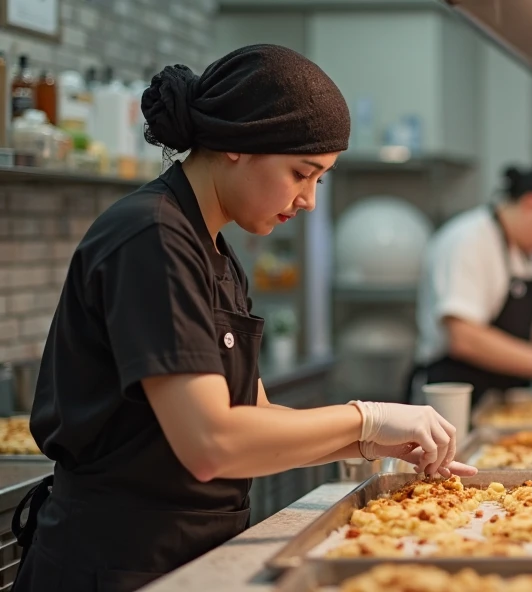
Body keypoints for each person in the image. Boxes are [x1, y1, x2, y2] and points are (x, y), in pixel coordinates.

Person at [12, 45, 474, 592]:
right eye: (301, 173)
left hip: (187, 555)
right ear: (237, 144)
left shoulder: (214, 252)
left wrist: (372, 444)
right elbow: (213, 443)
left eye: (320, 180)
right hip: (116, 561)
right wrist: (367, 417)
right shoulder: (151, 239)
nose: (308, 201)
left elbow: (254, 418)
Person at [409, 165, 532, 407]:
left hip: (499, 394)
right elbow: (463, 337)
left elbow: (515, 324)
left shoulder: (526, 251)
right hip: (452, 394)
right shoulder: (468, 241)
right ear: (530, 204)